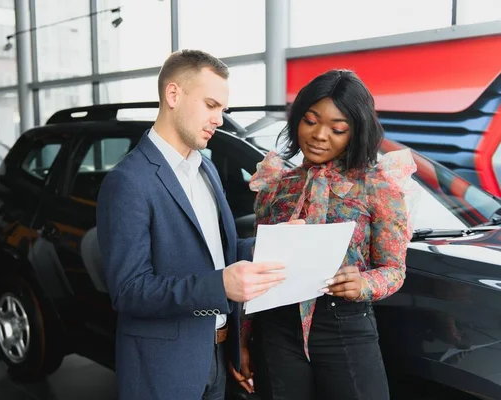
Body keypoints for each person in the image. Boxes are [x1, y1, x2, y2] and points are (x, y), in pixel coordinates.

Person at [96, 49, 286, 400]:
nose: (218, 119)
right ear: (173, 95)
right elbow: (129, 291)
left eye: (222, 110)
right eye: (211, 105)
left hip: (214, 356)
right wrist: (220, 287)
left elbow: (219, 253)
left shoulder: (206, 168)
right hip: (162, 368)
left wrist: (270, 245)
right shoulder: (128, 181)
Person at [236, 69, 416, 400]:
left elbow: (394, 269)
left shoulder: (377, 186)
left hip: (344, 327)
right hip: (277, 330)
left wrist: (364, 284)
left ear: (356, 132)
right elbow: (256, 271)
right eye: (310, 120)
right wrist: (243, 340)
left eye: (337, 129)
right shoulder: (276, 185)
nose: (320, 135)